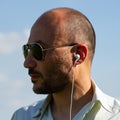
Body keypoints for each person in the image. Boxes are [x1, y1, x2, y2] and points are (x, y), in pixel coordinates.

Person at [11, 7, 120, 120]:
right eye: (27, 50)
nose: (27, 63)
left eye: (37, 50)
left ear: (78, 54)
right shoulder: (22, 116)